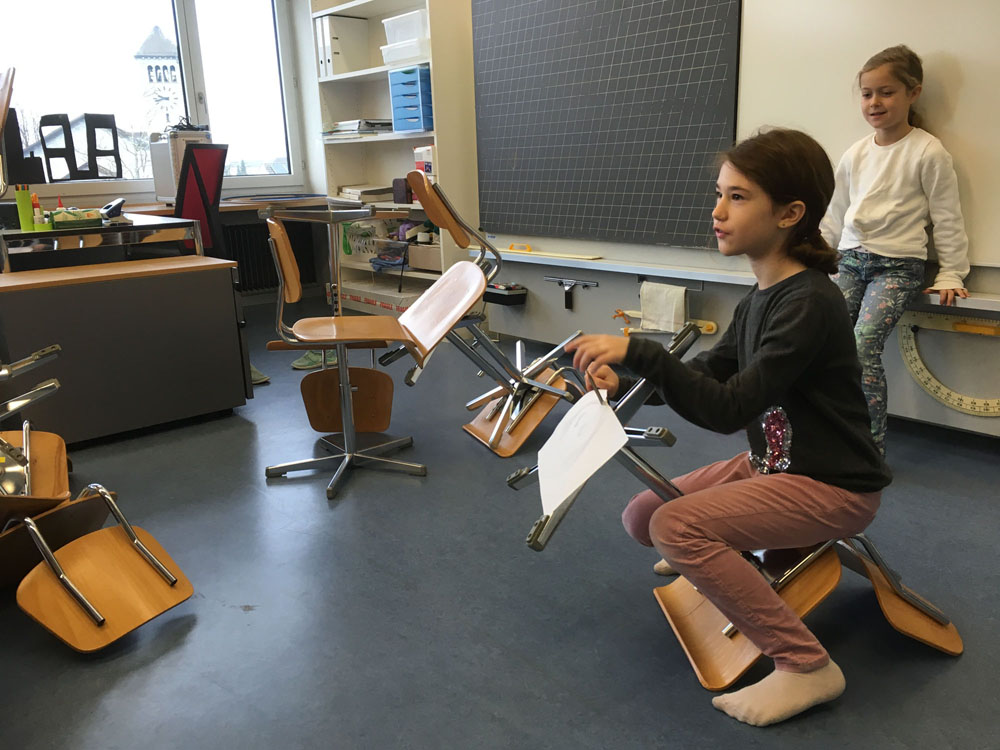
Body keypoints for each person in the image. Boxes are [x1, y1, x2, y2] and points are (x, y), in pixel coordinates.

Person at [565, 129, 891, 727]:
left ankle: (806, 666)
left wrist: (641, 352)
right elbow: (706, 375)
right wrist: (631, 379)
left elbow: (727, 409)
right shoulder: (760, 298)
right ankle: (726, 550)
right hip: (775, 466)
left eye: (738, 197)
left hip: (833, 485)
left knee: (674, 527)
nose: (718, 211)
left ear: (789, 214)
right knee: (643, 517)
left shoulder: (809, 302)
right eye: (719, 194)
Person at [821, 44, 970, 455]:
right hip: (849, 260)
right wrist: (819, 256)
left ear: (913, 93)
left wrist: (952, 272)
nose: (874, 102)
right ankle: (828, 435)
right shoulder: (855, 153)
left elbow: (947, 217)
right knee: (826, 342)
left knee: (862, 345)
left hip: (897, 267)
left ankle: (869, 451)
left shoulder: (928, 151)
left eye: (886, 92)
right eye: (867, 94)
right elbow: (835, 211)